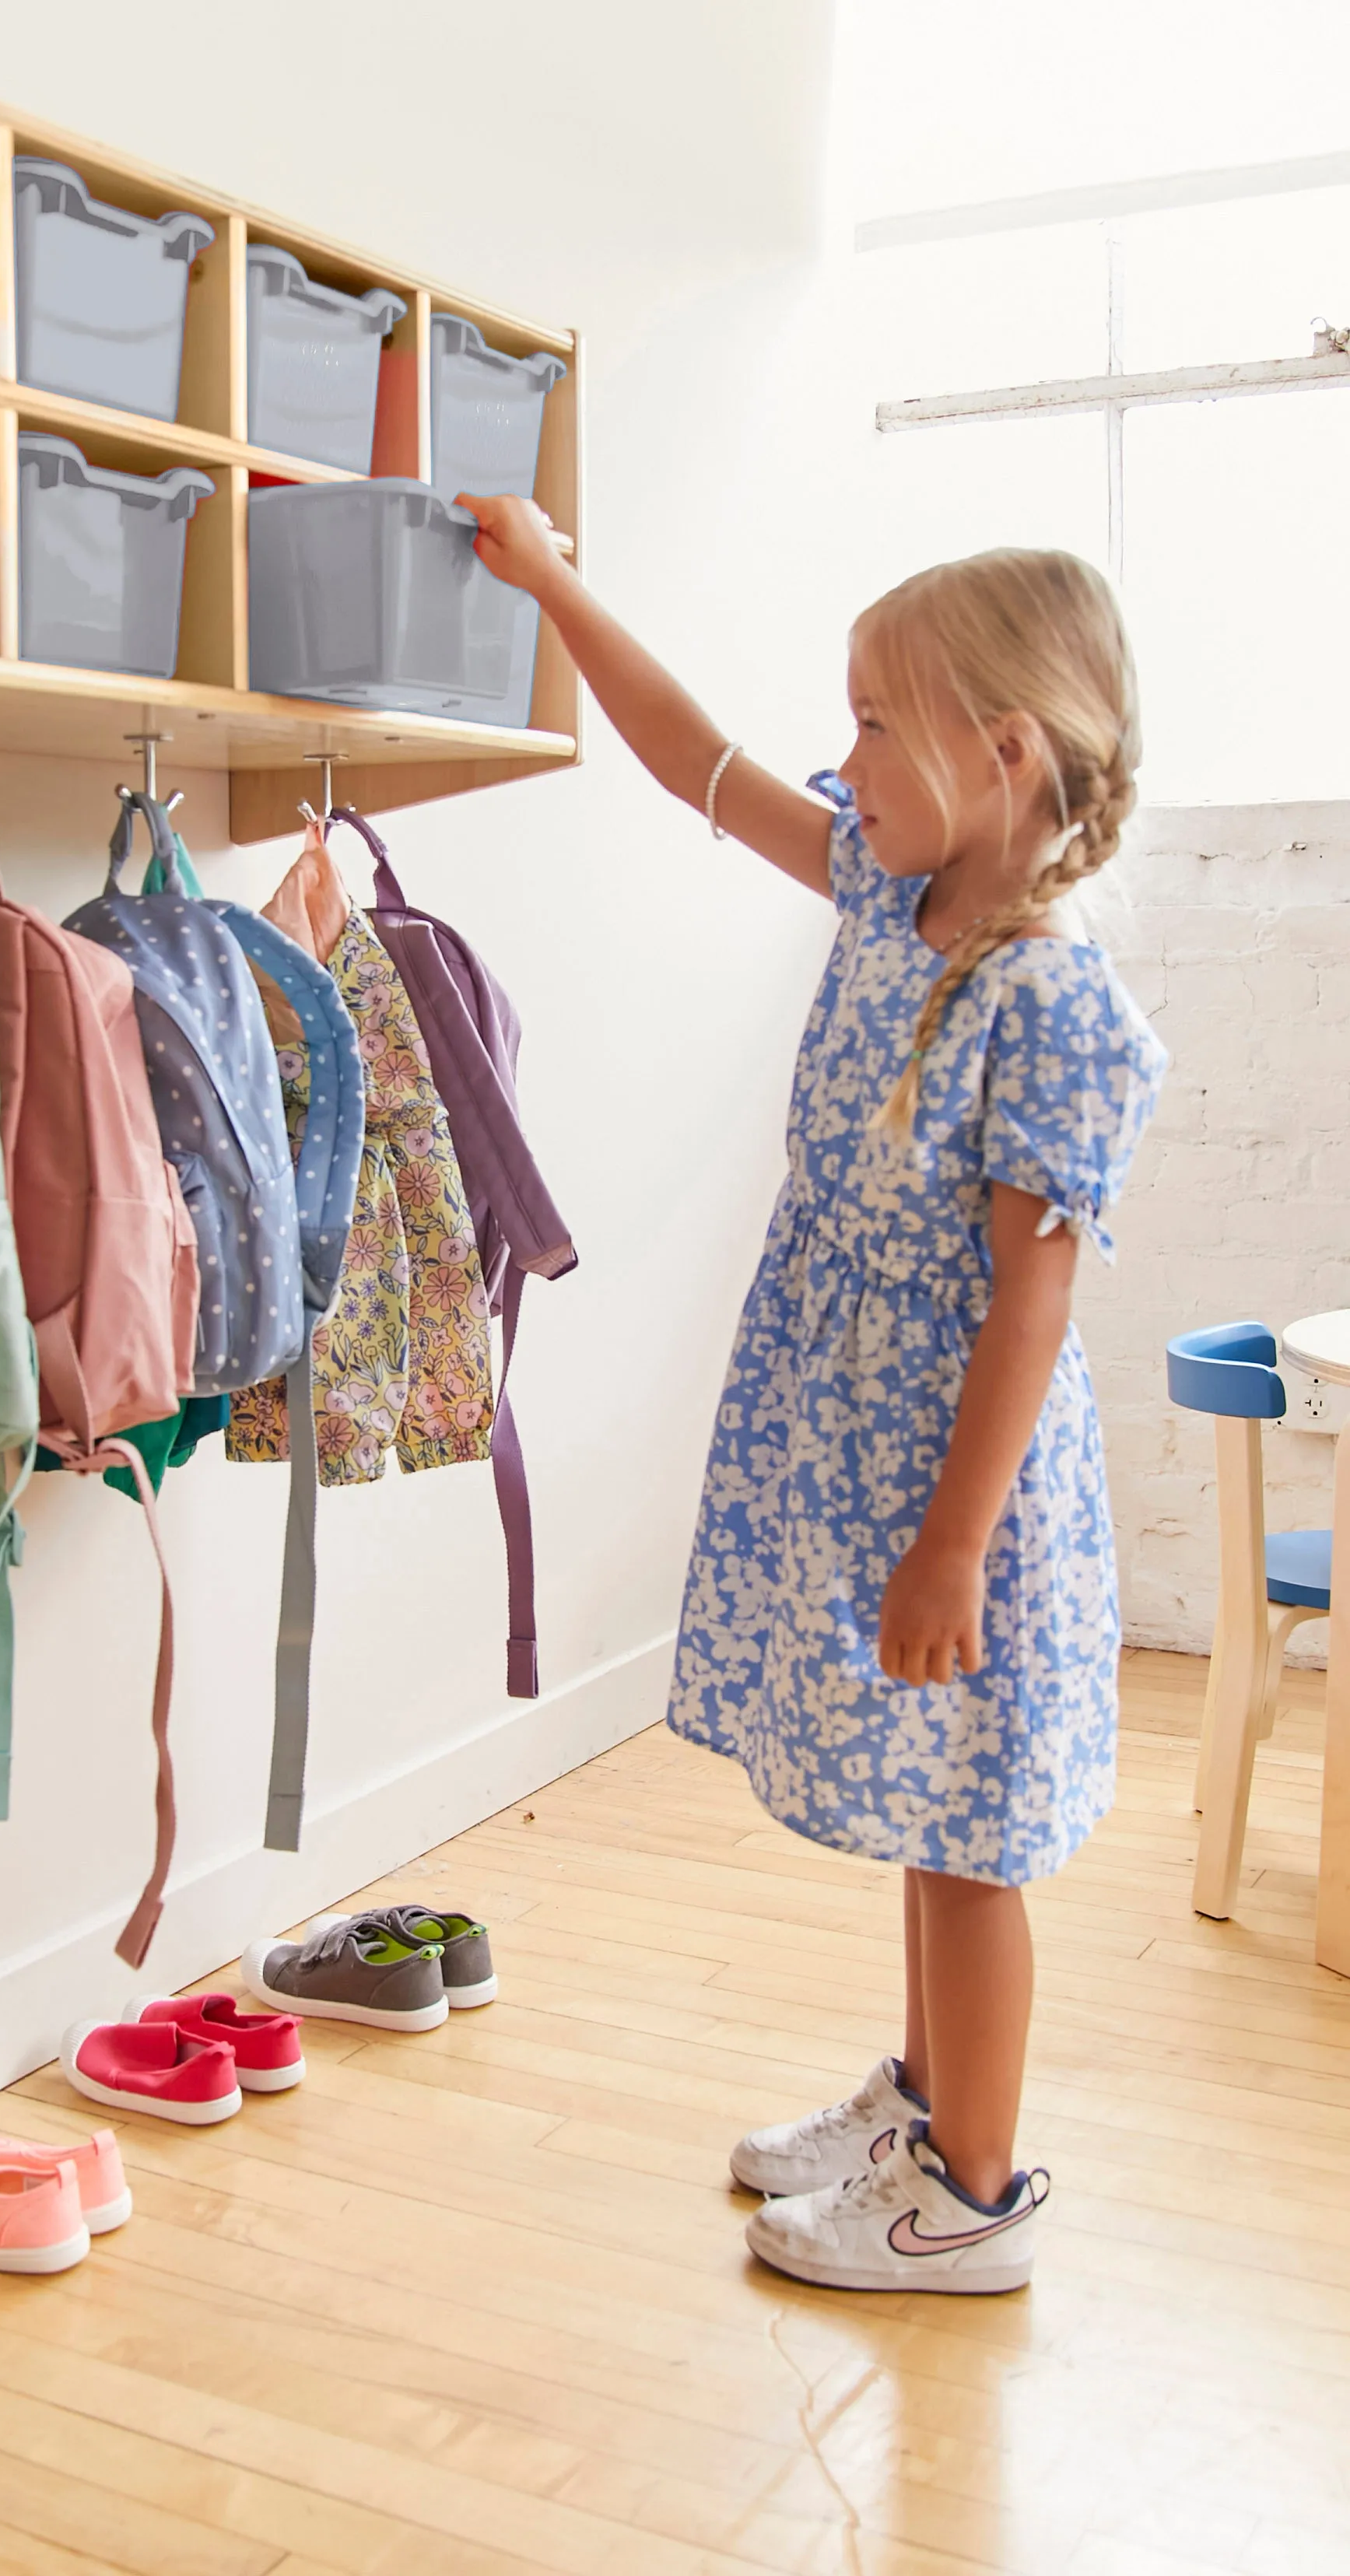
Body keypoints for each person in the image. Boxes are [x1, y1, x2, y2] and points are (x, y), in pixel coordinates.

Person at [464, 499, 1166, 2294]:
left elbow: (1027, 1304)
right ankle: (925, 2105)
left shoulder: (1045, 996)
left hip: (957, 1473)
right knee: (925, 1810)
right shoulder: (887, 880)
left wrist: (950, 1544)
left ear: (1000, 750)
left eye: (870, 721)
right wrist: (553, 581)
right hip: (852, 1434)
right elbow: (692, 760)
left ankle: (974, 2195)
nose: (836, 756)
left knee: (968, 1838)